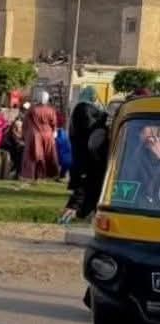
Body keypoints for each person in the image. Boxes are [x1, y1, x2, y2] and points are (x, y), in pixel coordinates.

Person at [61, 87, 108, 222]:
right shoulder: (84, 108)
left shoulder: (82, 108)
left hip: (85, 153)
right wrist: (103, 118)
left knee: (90, 186)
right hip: (87, 155)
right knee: (85, 185)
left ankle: (83, 214)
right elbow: (90, 127)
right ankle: (72, 214)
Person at [21, 91, 60, 181]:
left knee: (33, 155)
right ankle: (49, 175)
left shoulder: (32, 109)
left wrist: (24, 134)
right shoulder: (51, 110)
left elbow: (25, 123)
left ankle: (31, 175)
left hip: (35, 135)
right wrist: (54, 132)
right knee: (49, 155)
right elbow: (54, 123)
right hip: (48, 134)